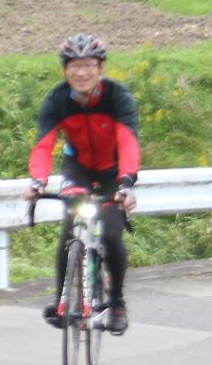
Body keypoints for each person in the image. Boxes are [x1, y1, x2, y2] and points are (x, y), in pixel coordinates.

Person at [24, 33, 140, 335]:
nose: (81, 72)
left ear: (100, 67)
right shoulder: (57, 100)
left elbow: (128, 142)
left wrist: (126, 182)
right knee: (69, 231)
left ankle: (115, 302)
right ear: (65, 70)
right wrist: (37, 181)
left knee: (112, 235)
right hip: (77, 168)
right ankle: (62, 302)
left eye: (88, 64)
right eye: (74, 65)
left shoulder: (117, 97)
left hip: (113, 170)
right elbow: (43, 145)